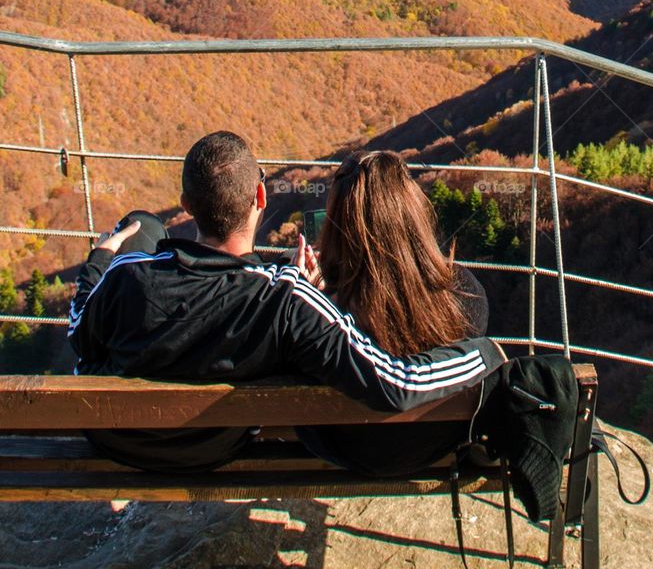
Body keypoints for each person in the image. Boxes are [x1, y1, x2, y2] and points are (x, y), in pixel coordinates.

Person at [68, 131, 505, 472]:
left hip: (117, 441)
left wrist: (103, 256)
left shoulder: (127, 277)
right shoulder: (283, 300)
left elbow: (80, 332)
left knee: (142, 229)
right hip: (214, 447)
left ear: (186, 206)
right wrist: (488, 355)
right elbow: (391, 380)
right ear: (260, 198)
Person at [296, 150, 490, 476]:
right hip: (434, 446)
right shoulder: (466, 295)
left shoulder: (316, 315)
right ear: (414, 215)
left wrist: (304, 296)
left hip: (345, 449)